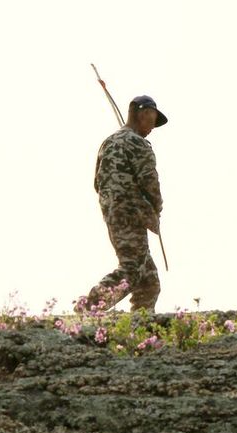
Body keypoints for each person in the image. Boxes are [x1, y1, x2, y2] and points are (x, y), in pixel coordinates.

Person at [79, 95, 168, 314]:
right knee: (131, 270)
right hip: (133, 214)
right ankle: (89, 309)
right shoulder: (138, 144)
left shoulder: (108, 142)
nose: (153, 128)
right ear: (142, 114)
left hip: (112, 212)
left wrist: (114, 205)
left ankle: (141, 324)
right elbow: (150, 182)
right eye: (152, 120)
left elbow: (97, 182)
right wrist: (155, 208)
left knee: (149, 280)